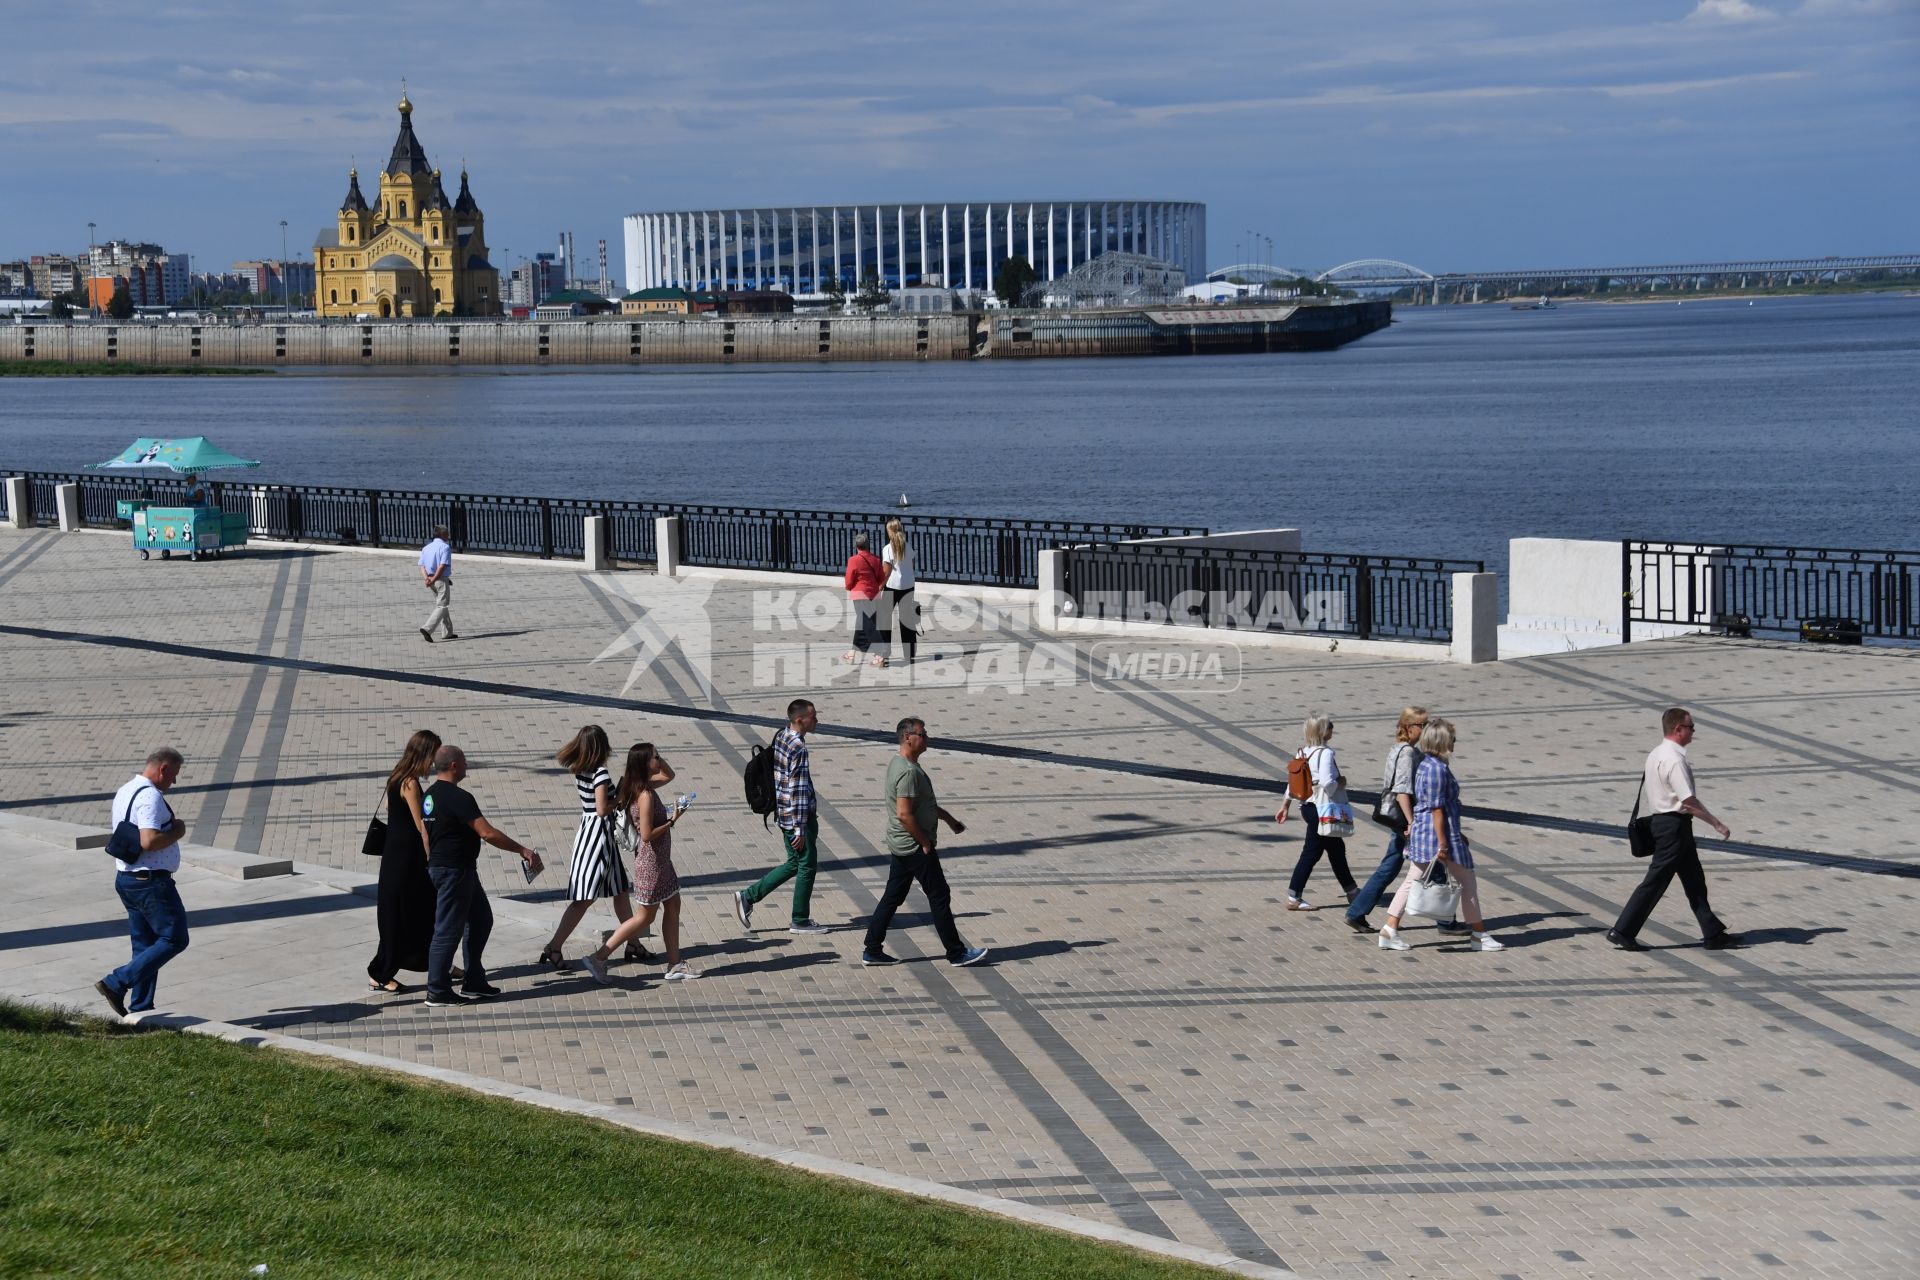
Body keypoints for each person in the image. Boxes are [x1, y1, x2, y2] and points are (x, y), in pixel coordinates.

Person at [536, 725, 672, 971]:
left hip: (594, 835)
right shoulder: (599, 774)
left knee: (620, 892)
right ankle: (554, 946)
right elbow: (601, 809)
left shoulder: (581, 769)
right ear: (602, 746)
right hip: (598, 841)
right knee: (584, 898)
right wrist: (620, 795)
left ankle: (633, 944)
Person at [1608, 708, 1741, 951]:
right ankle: (1622, 930)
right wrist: (1716, 823)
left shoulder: (1656, 753)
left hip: (1664, 823)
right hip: (1673, 827)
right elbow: (1688, 802)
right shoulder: (1675, 760)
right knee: (1656, 880)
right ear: (1678, 729)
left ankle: (1713, 933)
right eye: (1691, 727)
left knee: (1694, 880)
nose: (1693, 732)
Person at [421, 745, 543, 1007]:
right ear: (454, 765)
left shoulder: (429, 796)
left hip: (454, 869)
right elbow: (486, 833)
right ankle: (437, 990)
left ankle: (474, 980)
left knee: (480, 919)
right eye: (464, 762)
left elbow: (425, 833)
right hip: (455, 871)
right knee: (447, 931)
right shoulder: (458, 797)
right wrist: (522, 850)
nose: (467, 766)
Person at [863, 718, 988, 967]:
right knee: (939, 895)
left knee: (892, 896)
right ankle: (956, 953)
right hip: (914, 846)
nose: (927, 737)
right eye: (923, 733)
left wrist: (950, 820)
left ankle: (872, 949)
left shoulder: (901, 764)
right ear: (908, 737)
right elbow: (904, 813)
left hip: (902, 843)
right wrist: (925, 843)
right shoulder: (908, 772)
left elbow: (923, 805)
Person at [1378, 719, 1504, 952]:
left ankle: (1389, 930)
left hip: (1429, 833)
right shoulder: (1436, 768)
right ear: (1442, 741)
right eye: (1452, 738)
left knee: (1411, 881)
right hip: (1436, 835)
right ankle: (1478, 935)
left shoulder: (1428, 763)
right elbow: (1437, 809)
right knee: (1467, 882)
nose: (1454, 742)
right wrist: (1445, 843)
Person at [583, 743, 698, 984]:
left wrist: (657, 759)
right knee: (644, 917)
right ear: (645, 763)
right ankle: (599, 957)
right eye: (655, 757)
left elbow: (669, 775)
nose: (659, 759)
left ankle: (675, 963)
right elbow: (646, 834)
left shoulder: (641, 786)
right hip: (651, 863)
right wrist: (672, 821)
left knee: (673, 903)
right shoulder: (644, 795)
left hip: (660, 862)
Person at [1345, 708, 1464, 936]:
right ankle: (1446, 923)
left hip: (1402, 819)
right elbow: (1401, 791)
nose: (1425, 728)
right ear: (1409, 728)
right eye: (1422, 724)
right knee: (1434, 864)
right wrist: (1411, 823)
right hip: (1406, 818)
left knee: (1391, 866)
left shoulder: (1399, 749)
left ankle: (1356, 912)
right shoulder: (1408, 753)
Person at [95, 748, 192, 1020]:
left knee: (145, 947)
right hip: (149, 881)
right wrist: (178, 831)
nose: (173, 782)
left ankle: (141, 1010)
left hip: (127, 878)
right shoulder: (150, 796)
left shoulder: (126, 789)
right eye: (173, 775)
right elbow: (148, 841)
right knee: (175, 938)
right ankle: (116, 982)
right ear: (162, 769)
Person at [734, 699, 831, 935]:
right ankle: (799, 920)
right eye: (813, 716)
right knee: (807, 866)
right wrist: (799, 828)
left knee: (794, 863)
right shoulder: (798, 747)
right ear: (800, 720)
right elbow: (796, 788)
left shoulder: (782, 735)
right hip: (798, 817)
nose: (816, 720)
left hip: (783, 812)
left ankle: (748, 897)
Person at [368, 729, 441, 993]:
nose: (433, 762)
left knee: (405, 913)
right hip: (407, 861)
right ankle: (380, 972)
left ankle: (436, 963)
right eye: (433, 755)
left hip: (394, 856)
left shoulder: (396, 777)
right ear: (424, 753)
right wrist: (433, 854)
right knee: (404, 914)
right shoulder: (410, 783)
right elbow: (420, 824)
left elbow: (392, 813)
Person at [1275, 715, 1359, 911]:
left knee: (1336, 849)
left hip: (1307, 807)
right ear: (1323, 732)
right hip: (1323, 809)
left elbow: (1293, 783)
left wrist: (1285, 805)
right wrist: (1341, 782)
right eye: (1330, 727)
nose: (1333, 729)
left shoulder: (1302, 753)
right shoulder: (1326, 754)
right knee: (1312, 853)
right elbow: (1328, 784)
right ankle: (1294, 896)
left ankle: (1352, 891)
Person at [879, 516, 918, 665]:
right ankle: (909, 654)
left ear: (889, 531)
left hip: (892, 586)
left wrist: (879, 587)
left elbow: (886, 571)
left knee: (884, 619)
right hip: (908, 585)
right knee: (907, 620)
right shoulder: (908, 547)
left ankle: (885, 653)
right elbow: (911, 567)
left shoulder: (888, 549)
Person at [843, 532, 886, 666]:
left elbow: (849, 580)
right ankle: (851, 654)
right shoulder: (876, 559)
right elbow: (880, 578)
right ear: (868, 545)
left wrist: (850, 587)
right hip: (874, 595)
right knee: (862, 623)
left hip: (860, 594)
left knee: (866, 623)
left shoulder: (853, 560)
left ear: (856, 546)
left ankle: (880, 653)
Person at [418, 524, 456, 643]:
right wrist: (434, 579)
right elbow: (442, 566)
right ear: (443, 534)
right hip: (440, 579)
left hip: (431, 580)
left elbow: (422, 566)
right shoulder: (445, 547)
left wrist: (427, 580)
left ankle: (447, 632)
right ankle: (427, 628)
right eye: (447, 533)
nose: (449, 535)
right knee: (442, 606)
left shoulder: (426, 548)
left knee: (441, 604)